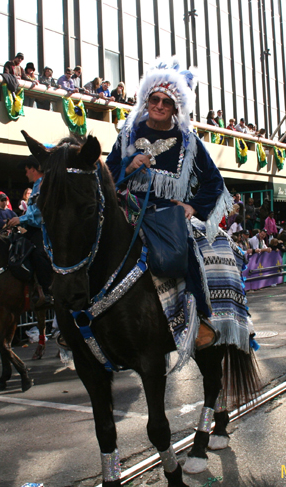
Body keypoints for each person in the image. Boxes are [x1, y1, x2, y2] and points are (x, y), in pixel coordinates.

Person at [106, 58, 244, 351]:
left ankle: (201, 322)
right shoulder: (128, 132)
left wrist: (192, 207)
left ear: (175, 106)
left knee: (186, 252)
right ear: (146, 99)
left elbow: (214, 183)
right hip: (127, 209)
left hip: (167, 215)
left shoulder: (189, 140)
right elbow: (108, 175)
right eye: (154, 99)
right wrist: (128, 167)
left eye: (166, 102)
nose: (158, 105)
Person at [5, 156, 55, 307]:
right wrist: (19, 223)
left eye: (27, 170)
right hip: (32, 228)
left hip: (44, 230)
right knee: (14, 242)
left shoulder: (44, 185)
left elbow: (41, 213)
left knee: (38, 252)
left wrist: (21, 220)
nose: (25, 174)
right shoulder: (36, 186)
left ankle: (48, 292)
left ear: (33, 169)